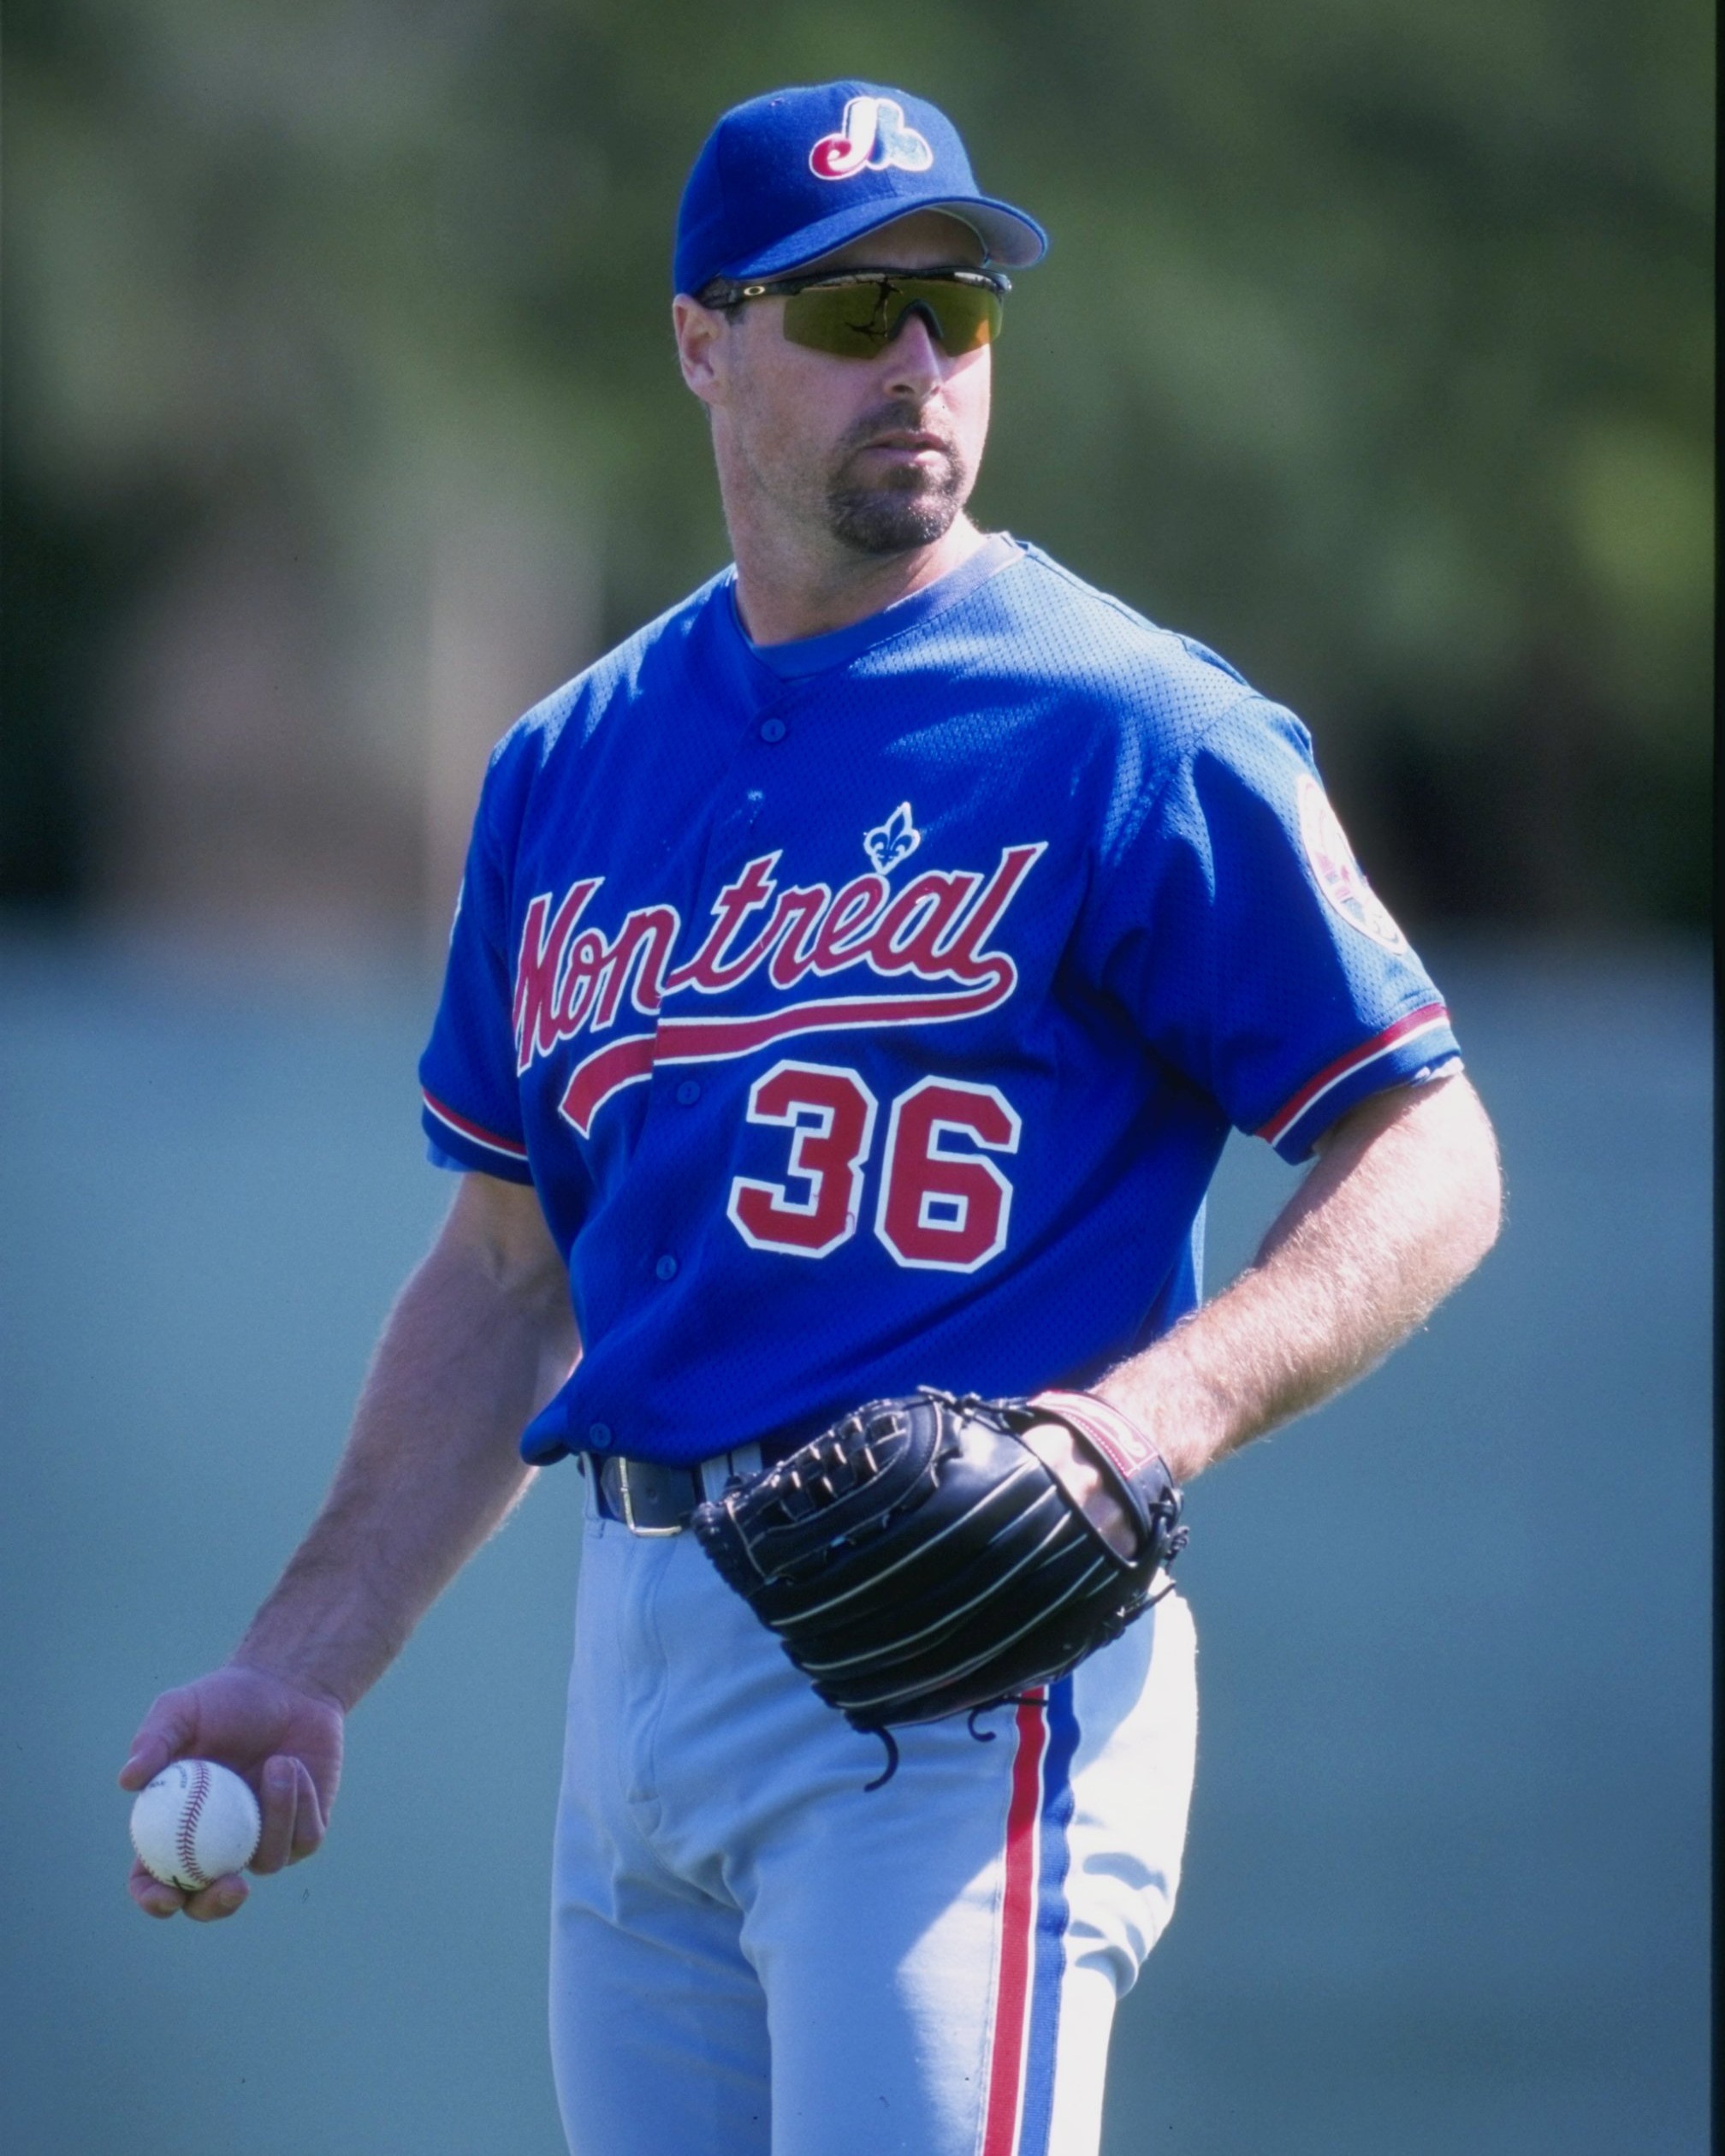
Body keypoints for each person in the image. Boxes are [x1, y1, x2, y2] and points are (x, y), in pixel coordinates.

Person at [121, 80, 1503, 2156]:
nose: (923, 356)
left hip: (965, 1668)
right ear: (703, 339)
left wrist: (1142, 1429)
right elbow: (510, 1275)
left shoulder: (1130, 725)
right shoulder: (567, 767)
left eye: (958, 302)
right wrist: (304, 1662)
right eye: (853, 309)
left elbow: (1433, 1148)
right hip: (640, 1682)